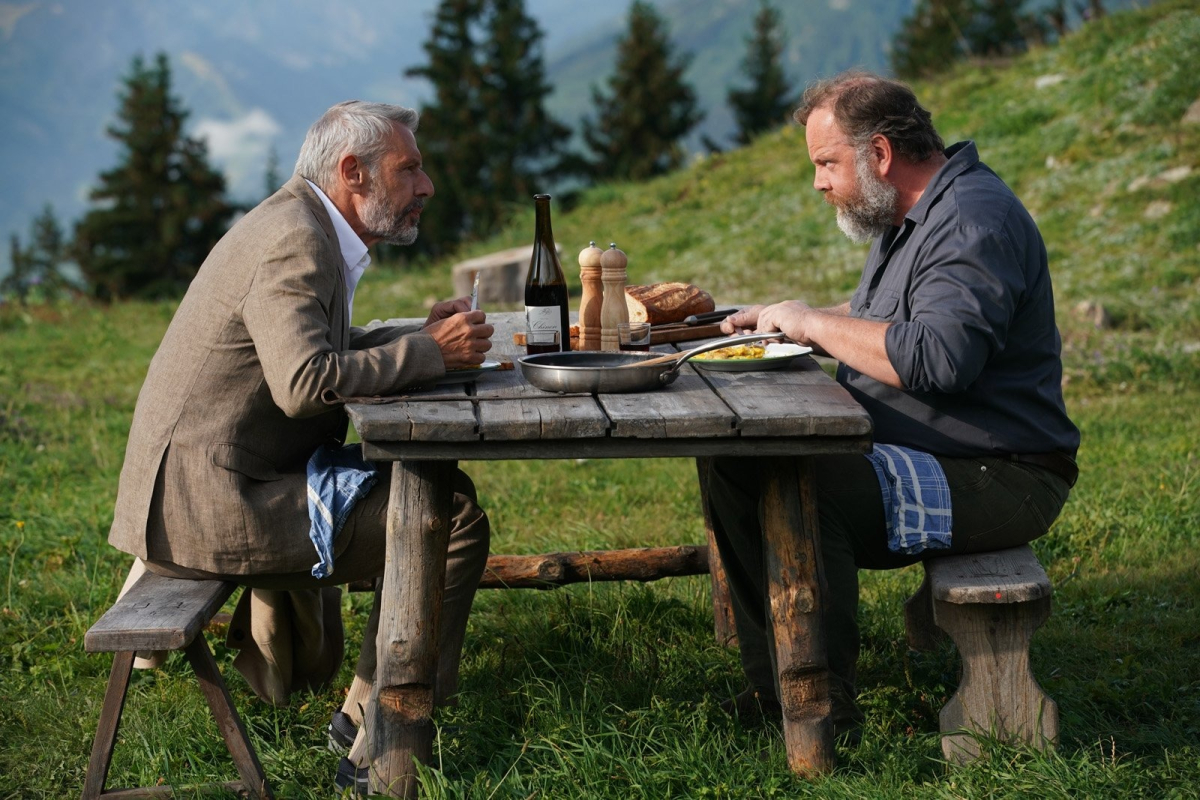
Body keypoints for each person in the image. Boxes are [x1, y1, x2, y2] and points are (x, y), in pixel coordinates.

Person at [106, 101, 493, 793]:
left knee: (436, 497)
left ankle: (362, 713)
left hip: (208, 483)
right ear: (353, 172)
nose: (427, 185)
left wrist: (417, 337)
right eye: (409, 169)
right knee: (449, 519)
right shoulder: (297, 240)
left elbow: (320, 349)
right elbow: (304, 382)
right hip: (212, 504)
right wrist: (428, 354)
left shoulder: (297, 219)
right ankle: (389, 738)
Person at [708, 71, 1080, 738]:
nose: (819, 183)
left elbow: (939, 357)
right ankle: (775, 690)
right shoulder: (911, 213)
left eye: (826, 164)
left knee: (803, 482)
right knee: (736, 458)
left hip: (1006, 472)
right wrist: (787, 318)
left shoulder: (970, 221)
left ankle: (819, 710)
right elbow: (885, 316)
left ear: (879, 154)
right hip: (946, 453)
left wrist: (814, 326)